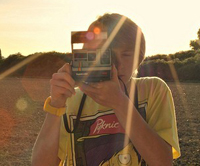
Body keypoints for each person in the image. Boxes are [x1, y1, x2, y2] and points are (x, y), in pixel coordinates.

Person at [32, 13, 181, 166]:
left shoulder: (153, 89)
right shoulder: (72, 98)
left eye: (126, 54)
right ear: (89, 56)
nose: (117, 65)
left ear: (139, 57)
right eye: (107, 55)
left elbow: (163, 162)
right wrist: (56, 106)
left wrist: (119, 102)